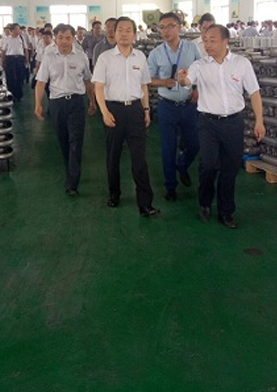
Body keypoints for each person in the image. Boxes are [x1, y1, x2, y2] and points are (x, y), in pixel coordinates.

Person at [177, 25, 265, 229]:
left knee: (230, 168)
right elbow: (187, 81)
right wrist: (181, 79)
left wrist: (259, 120)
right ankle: (205, 203)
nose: (207, 45)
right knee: (208, 164)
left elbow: (254, 92)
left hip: (233, 122)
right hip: (208, 123)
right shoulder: (199, 65)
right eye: (205, 40)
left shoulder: (241, 64)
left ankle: (226, 211)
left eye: (212, 40)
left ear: (226, 42)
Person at [92, 17, 158, 217]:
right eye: (120, 29)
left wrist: (146, 110)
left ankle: (145, 204)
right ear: (114, 33)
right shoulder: (105, 58)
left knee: (139, 159)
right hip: (114, 110)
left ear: (134, 35)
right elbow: (98, 87)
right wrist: (104, 112)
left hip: (135, 110)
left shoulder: (140, 57)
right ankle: (114, 194)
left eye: (128, 30)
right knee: (113, 156)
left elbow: (144, 86)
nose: (124, 33)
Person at [34, 24, 96, 196]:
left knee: (76, 141)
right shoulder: (49, 57)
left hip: (77, 102)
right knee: (63, 140)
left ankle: (72, 182)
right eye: (60, 38)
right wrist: (38, 104)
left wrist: (92, 101)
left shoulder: (81, 57)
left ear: (74, 39)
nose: (64, 41)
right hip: (57, 104)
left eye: (68, 38)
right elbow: (41, 82)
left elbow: (88, 81)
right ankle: (70, 169)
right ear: (55, 39)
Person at [147, 12, 202, 202]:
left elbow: (201, 70)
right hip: (167, 106)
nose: (166, 31)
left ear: (179, 27)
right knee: (168, 148)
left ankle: (183, 164)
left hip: (188, 105)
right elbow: (148, 79)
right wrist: (164, 82)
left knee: (194, 144)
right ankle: (170, 186)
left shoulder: (191, 48)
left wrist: (197, 90)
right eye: (162, 27)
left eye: (170, 26)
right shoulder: (156, 53)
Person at [0, 23, 29, 102]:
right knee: (10, 78)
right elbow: (3, 51)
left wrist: (27, 60)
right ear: (12, 30)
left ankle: (19, 95)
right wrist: (3, 62)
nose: (19, 31)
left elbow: (25, 49)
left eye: (19, 29)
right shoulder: (7, 39)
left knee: (20, 77)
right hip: (10, 59)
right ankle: (11, 95)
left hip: (19, 59)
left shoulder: (21, 38)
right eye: (17, 29)